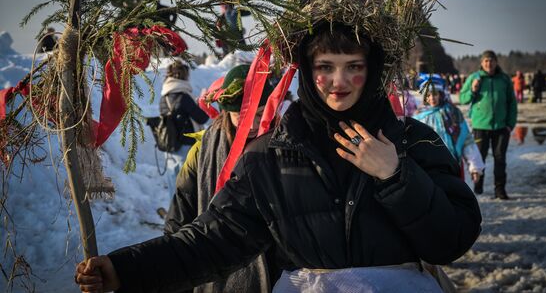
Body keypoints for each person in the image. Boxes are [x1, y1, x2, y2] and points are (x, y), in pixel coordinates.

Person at [75, 23, 481, 293]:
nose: (339, 82)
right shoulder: (269, 158)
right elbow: (213, 240)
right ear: (307, 70)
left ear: (371, 71)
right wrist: (124, 270)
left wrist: (395, 176)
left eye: (353, 67)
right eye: (325, 67)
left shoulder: (413, 142)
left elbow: (453, 238)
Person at [164, 64, 277, 293]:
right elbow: (181, 213)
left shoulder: (285, 145)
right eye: (242, 116)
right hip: (212, 264)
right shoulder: (203, 150)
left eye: (260, 113)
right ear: (227, 113)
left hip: (277, 273)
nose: (253, 125)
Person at [459, 50, 517, 199]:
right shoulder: (474, 78)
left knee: (500, 159)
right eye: (486, 61)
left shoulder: (504, 79)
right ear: (481, 63)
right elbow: (463, 98)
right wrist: (473, 89)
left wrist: (510, 124)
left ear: (496, 62)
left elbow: (512, 103)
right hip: (480, 126)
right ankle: (478, 187)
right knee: (480, 158)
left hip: (502, 127)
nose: (488, 64)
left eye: (491, 61)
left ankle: (500, 190)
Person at [414, 78, 484, 183]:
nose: (432, 98)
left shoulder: (453, 113)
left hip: (453, 164)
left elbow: (466, 139)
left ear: (441, 94)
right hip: (430, 168)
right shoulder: (419, 118)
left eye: (435, 94)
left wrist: (475, 167)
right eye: (428, 95)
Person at [160, 60, 209, 199]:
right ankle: (189, 215)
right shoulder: (184, 97)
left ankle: (174, 215)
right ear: (184, 77)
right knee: (189, 184)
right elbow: (202, 119)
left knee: (173, 184)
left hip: (170, 146)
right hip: (186, 147)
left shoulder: (163, 97)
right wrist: (203, 104)